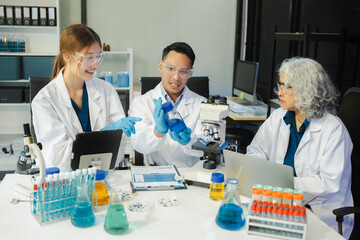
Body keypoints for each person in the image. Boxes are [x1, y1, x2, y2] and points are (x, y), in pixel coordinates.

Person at [246, 57, 354, 238]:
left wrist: (283, 183)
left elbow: (329, 183)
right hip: (281, 204)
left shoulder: (334, 130)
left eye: (286, 86)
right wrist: (263, 173)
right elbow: (255, 151)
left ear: (307, 90)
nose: (279, 92)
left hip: (319, 211)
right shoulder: (279, 117)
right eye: (279, 85)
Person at [32, 24, 141, 171]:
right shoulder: (45, 100)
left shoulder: (106, 90)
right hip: (64, 180)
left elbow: (119, 145)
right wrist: (103, 137)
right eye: (89, 58)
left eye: (98, 57)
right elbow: (57, 155)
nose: (95, 64)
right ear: (68, 57)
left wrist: (106, 143)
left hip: (103, 175)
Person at [128, 42, 206, 167]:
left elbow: (207, 147)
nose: (176, 77)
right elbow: (138, 144)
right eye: (171, 69)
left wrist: (188, 141)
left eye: (184, 71)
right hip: (155, 172)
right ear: (160, 66)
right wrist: (157, 132)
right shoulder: (141, 102)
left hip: (191, 174)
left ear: (190, 73)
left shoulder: (203, 104)